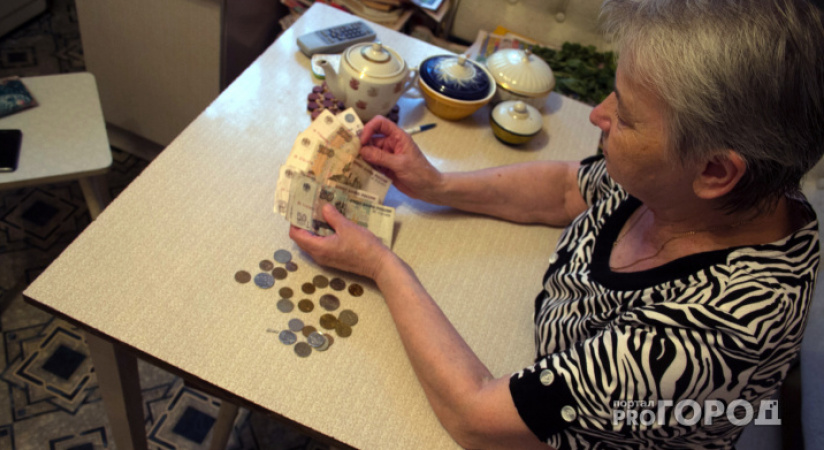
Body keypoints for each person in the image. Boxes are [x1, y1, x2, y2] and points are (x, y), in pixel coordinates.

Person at [290, 0, 824, 448]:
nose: (597, 114)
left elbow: (474, 416)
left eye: (626, 116)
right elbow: (569, 188)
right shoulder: (691, 187)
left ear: (714, 171)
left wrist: (383, 266)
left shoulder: (698, 341)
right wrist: (437, 186)